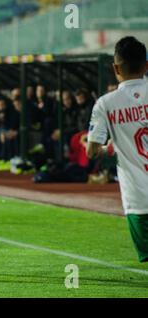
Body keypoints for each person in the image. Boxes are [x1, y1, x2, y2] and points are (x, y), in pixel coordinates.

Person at [87, 36, 148, 263]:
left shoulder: (106, 103)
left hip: (139, 199)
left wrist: (110, 148)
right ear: (146, 65)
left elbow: (92, 151)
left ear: (115, 68)